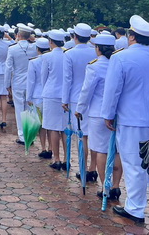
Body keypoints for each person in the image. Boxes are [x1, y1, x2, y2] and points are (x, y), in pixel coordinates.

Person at [102, 15, 149, 223]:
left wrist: (108, 114)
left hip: (132, 119)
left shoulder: (121, 57)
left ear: (131, 37)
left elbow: (113, 90)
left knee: (135, 164)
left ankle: (135, 208)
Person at [75, 33, 122, 200]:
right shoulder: (118, 62)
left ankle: (105, 186)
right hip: (117, 113)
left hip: (97, 113)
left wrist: (80, 108)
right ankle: (116, 186)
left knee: (101, 151)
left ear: (98, 48)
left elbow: (87, 90)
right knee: (116, 151)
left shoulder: (94, 66)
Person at [62, 23, 97, 181]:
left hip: (77, 98)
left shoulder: (69, 54)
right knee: (93, 135)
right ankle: (93, 167)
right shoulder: (95, 51)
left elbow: (67, 79)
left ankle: (83, 168)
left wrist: (65, 99)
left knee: (81, 136)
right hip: (95, 98)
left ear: (74, 37)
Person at [5, 23, 37, 144]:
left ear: (18, 35)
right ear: (29, 36)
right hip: (32, 82)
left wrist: (7, 84)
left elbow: (8, 68)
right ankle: (31, 136)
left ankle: (22, 136)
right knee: (30, 110)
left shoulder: (12, 49)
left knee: (19, 109)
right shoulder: (35, 48)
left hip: (18, 82)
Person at [40, 30, 68, 169]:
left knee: (52, 128)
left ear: (51, 42)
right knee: (64, 128)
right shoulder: (68, 54)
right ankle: (66, 159)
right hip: (65, 94)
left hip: (51, 94)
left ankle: (56, 158)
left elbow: (43, 77)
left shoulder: (47, 57)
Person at [26, 37, 51, 158]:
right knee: (50, 124)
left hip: (36, 95)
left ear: (38, 49)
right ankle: (51, 148)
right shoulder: (51, 59)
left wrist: (28, 97)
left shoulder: (33, 62)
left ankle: (43, 147)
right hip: (50, 96)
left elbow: (30, 81)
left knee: (40, 124)